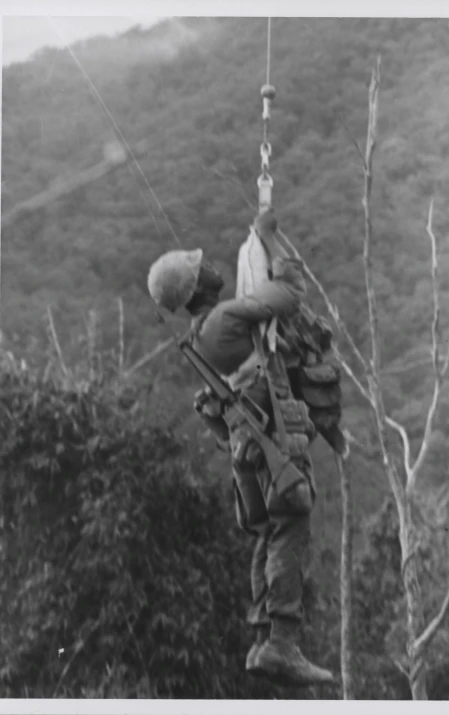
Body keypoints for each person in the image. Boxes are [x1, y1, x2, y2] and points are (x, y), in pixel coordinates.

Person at [148, 211, 334, 687]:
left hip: (246, 455)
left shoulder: (198, 338)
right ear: (196, 289)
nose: (210, 266)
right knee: (291, 526)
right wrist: (270, 238)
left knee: (270, 532)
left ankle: (263, 638)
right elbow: (292, 293)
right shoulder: (227, 318)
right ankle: (282, 644)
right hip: (268, 448)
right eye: (201, 268)